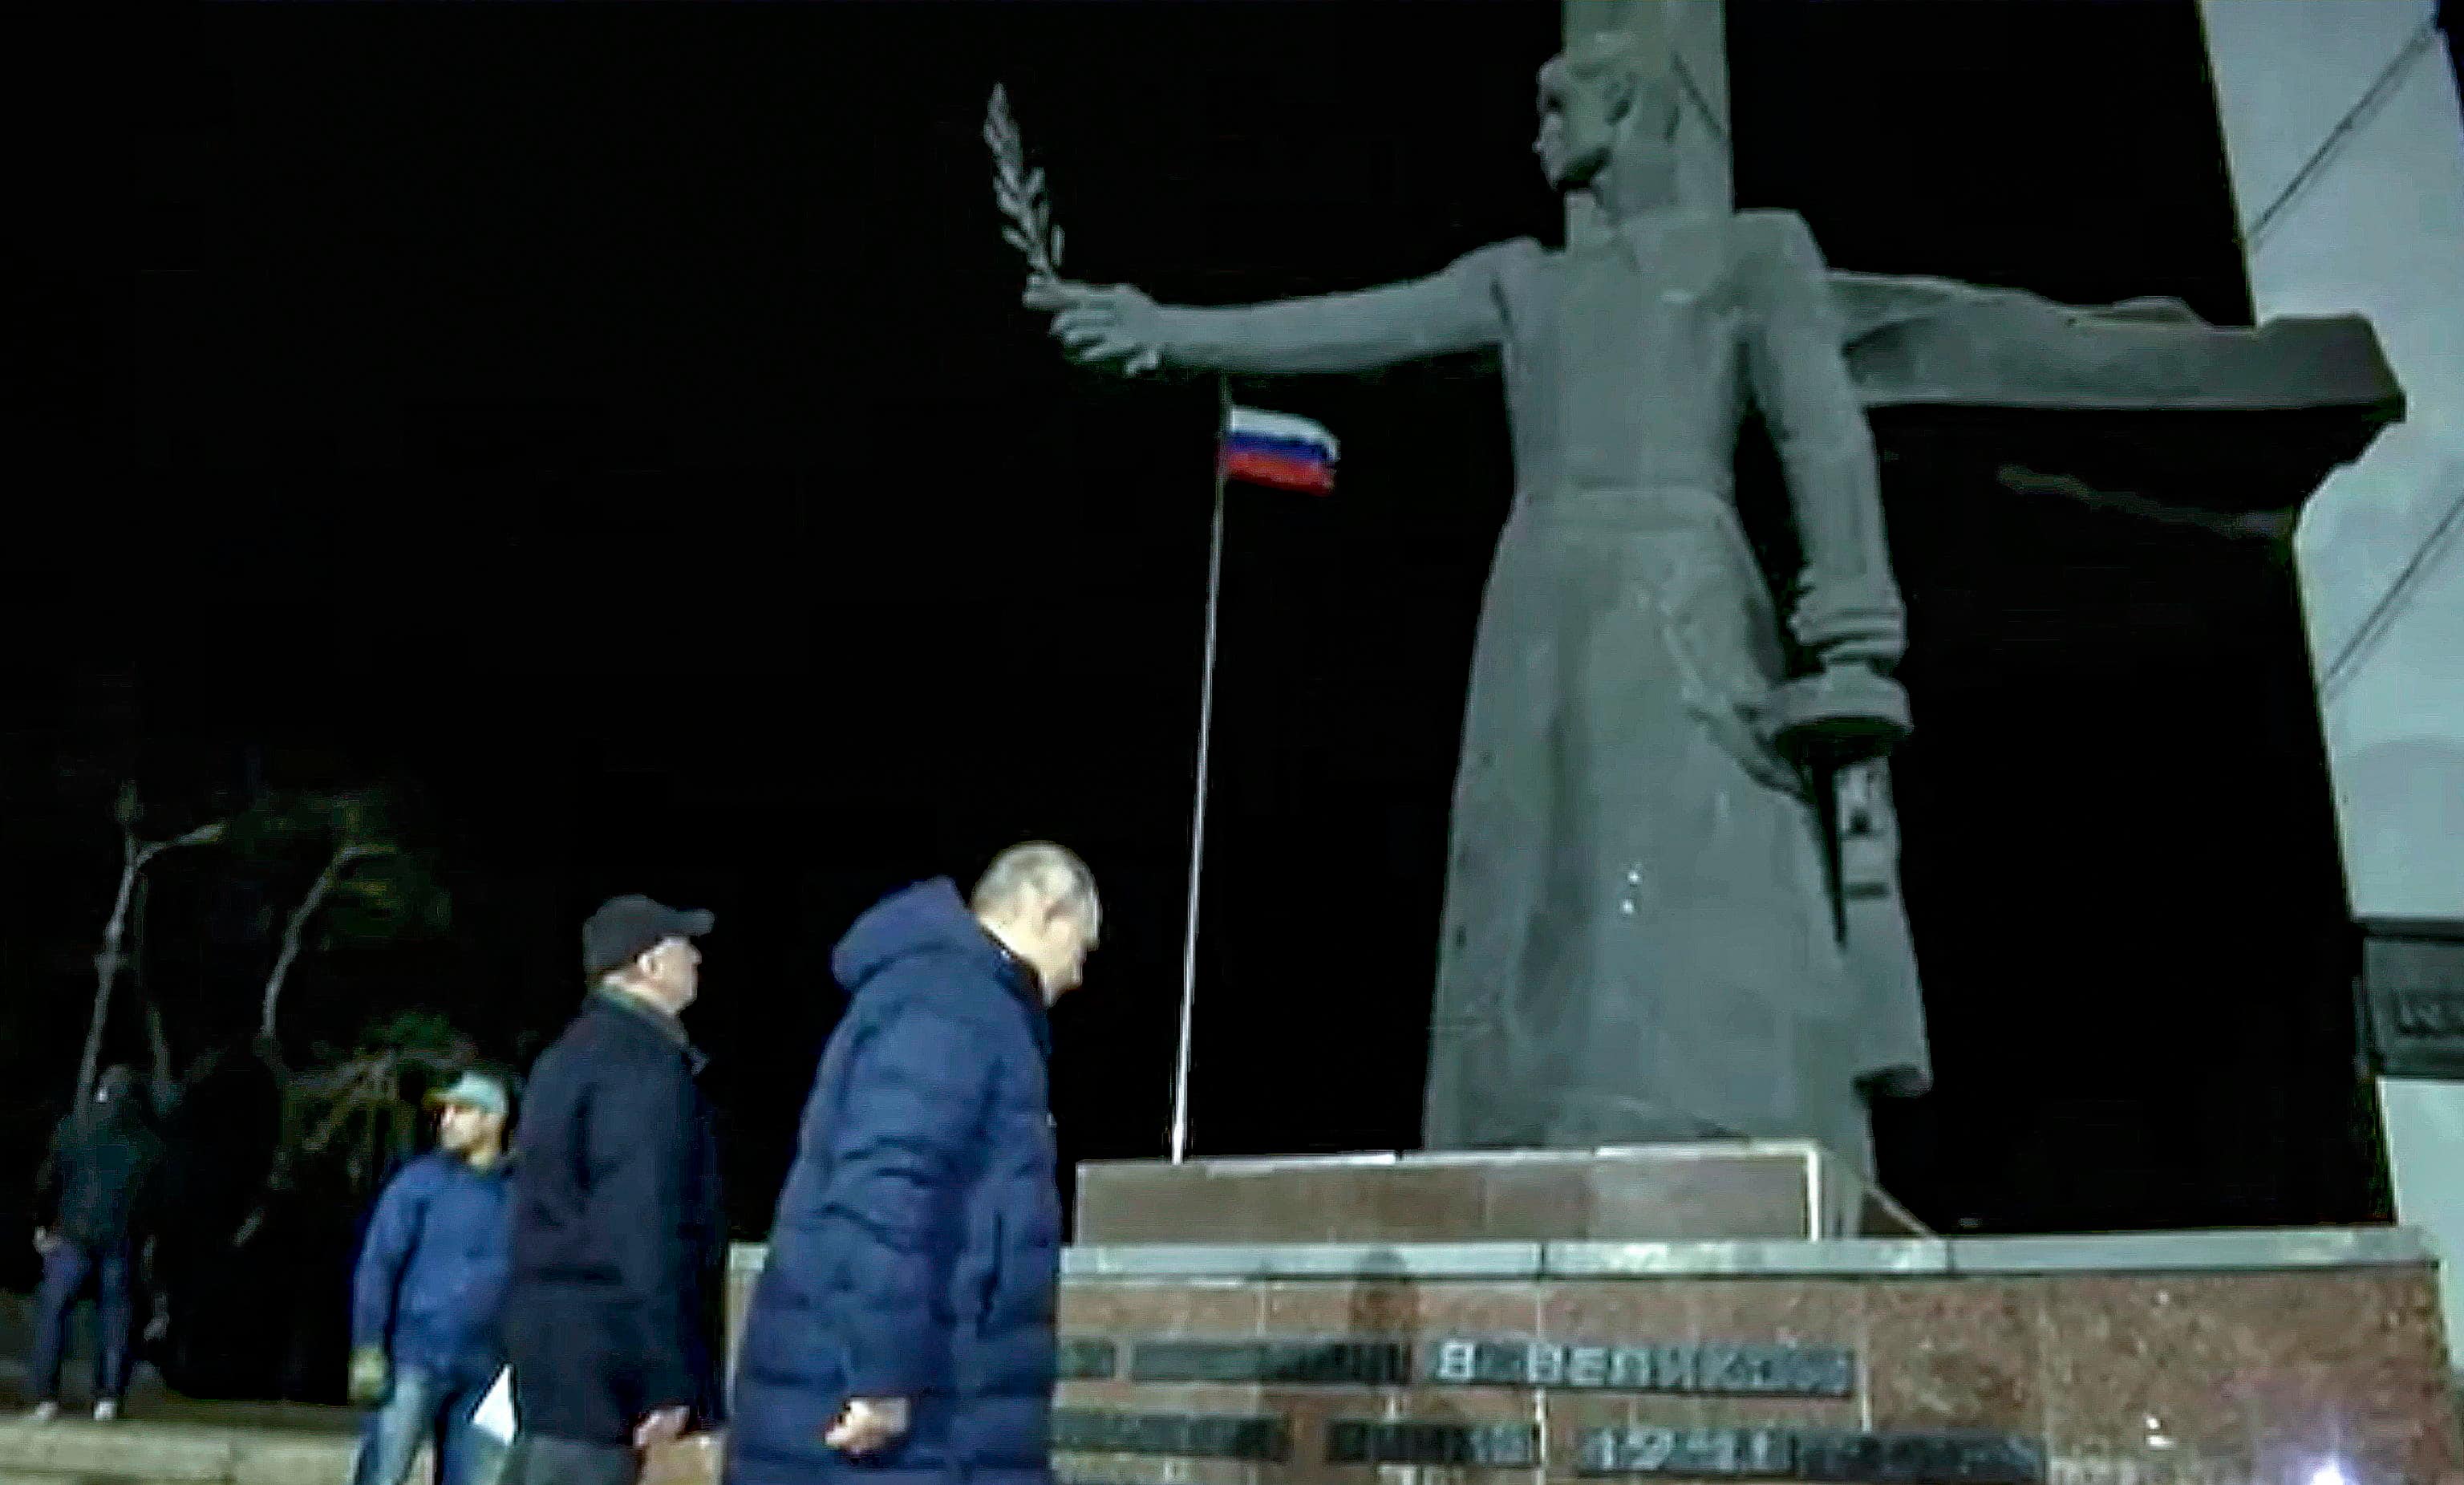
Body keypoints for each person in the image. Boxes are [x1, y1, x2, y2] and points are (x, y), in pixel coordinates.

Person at [1026, 23, 1929, 1171]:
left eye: (1563, 106)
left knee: (1680, 855)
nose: (1539, 132)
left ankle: (1703, 1116)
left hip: (1680, 583)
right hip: (1542, 587)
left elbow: (1824, 436)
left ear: (1637, 109)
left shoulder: (1755, 256)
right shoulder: (1522, 281)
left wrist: (1855, 612)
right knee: (1533, 869)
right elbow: (1353, 324)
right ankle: (1522, 1116)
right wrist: (1169, 330)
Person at [725, 843, 1100, 1485]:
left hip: (934, 1413)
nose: (1077, 973)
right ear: (1045, 907)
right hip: (905, 1426)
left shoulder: (961, 1002)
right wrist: (883, 1374)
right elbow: (885, 1187)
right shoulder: (952, 1003)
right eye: (1082, 945)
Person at [502, 896, 724, 1485]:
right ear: (649, 963)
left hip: (554, 1358)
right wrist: (667, 1376)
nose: (697, 957)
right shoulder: (642, 1067)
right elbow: (641, 1227)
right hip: (606, 1369)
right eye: (683, 945)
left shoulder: (567, 1056)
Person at [346, 1069, 518, 1485]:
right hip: (415, 1358)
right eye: (444, 1112)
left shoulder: (522, 1192)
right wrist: (368, 1345)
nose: (447, 1120)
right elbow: (379, 1263)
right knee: (383, 1473)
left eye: (461, 1111)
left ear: (493, 1120)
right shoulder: (419, 1182)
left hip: (488, 1368)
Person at [24, 1065, 163, 1422]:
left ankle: (46, 1397)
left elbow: (50, 1179)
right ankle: (108, 1397)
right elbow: (153, 1200)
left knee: (54, 1315)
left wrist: (43, 1224)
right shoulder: (146, 1143)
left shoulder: (74, 1128)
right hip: (120, 1238)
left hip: (72, 1233)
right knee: (115, 1319)